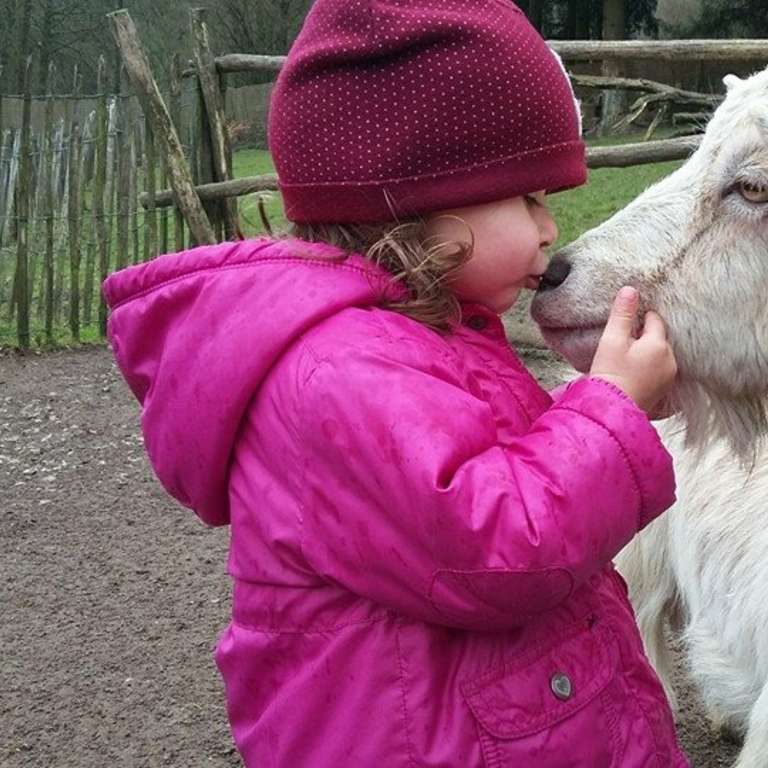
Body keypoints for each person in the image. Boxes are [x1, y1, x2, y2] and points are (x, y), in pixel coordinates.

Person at [103, 0, 686, 765]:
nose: (549, 229)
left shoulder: (425, 337)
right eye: (528, 197)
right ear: (420, 204)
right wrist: (610, 409)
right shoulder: (339, 372)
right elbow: (497, 548)